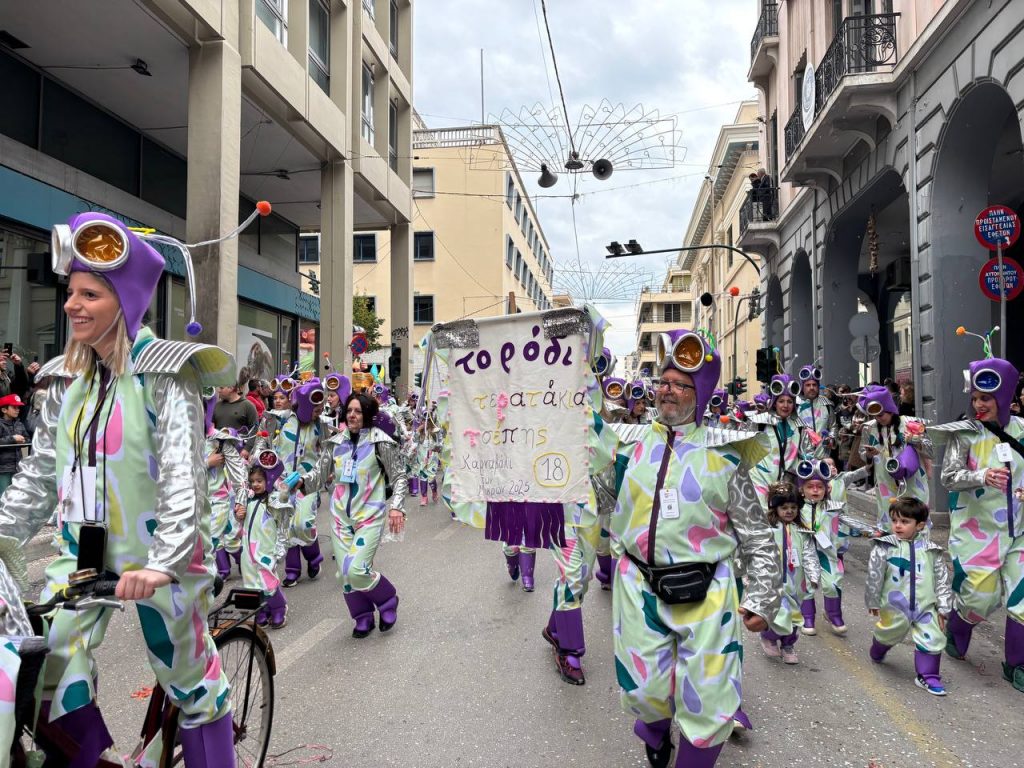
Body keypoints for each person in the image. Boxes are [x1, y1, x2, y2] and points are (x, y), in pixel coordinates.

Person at [0, 209, 246, 766]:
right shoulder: (66, 380)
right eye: (71, 292)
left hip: (158, 560)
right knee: (48, 677)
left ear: (124, 302)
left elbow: (184, 479)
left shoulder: (165, 372)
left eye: (89, 294)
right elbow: (39, 475)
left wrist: (163, 563)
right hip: (81, 561)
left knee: (191, 685)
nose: (71, 305)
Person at [590, 328, 780, 768]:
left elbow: (755, 534)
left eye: (680, 384)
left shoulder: (727, 455)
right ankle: (655, 733)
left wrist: (762, 596)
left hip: (709, 594)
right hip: (640, 588)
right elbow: (598, 500)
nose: (668, 391)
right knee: (645, 691)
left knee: (709, 703)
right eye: (664, 382)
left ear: (700, 394)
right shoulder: (627, 445)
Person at [930, 327, 1023, 693]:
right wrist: (983, 474)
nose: (980, 404)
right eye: (976, 397)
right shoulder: (963, 433)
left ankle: (1016, 665)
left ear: (1005, 396)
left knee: (1021, 600)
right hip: (976, 533)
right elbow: (950, 477)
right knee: (979, 598)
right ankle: (959, 624)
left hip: (1019, 533)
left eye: (988, 397)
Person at [299, 392, 408, 638]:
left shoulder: (381, 441)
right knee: (344, 575)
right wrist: (298, 483)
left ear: (367, 415)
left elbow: (399, 476)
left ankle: (388, 600)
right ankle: (362, 616)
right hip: (339, 518)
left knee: (356, 569)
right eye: (349, 411)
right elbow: (318, 475)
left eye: (358, 411)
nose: (352, 415)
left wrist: (397, 506)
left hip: (369, 516)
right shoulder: (335, 443)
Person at [866, 497, 952, 696]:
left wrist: (944, 606)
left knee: (933, 637)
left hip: (925, 607)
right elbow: (875, 575)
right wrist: (873, 599)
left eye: (904, 522)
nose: (897, 525)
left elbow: (941, 580)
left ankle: (928, 676)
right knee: (888, 633)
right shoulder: (884, 547)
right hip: (894, 606)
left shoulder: (932, 551)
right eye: (895, 520)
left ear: (919, 525)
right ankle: (879, 647)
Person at [858, 384, 932, 533]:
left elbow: (931, 451)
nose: (878, 419)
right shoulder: (869, 428)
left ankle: (918, 553)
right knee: (889, 522)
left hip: (913, 481)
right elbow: (861, 452)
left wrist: (915, 440)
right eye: (874, 416)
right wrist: (869, 455)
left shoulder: (912, 423)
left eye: (881, 414)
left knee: (916, 519)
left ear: (890, 409)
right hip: (885, 482)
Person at [760, 481, 817, 665]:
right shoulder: (768, 529)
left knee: (794, 615)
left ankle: (788, 645)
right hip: (773, 581)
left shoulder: (802, 531)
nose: (789, 511)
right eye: (784, 507)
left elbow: (809, 553)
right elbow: (758, 552)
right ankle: (769, 636)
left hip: (796, 583)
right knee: (778, 612)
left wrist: (813, 574)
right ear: (775, 508)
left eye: (793, 507)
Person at [240, 452, 291, 629]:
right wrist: (237, 513)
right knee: (251, 582)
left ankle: (278, 608)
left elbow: (284, 527)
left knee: (267, 579)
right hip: (248, 549)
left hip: (266, 548)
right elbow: (241, 521)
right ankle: (262, 610)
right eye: (252, 481)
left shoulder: (275, 500)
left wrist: (280, 549)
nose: (255, 484)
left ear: (268, 480)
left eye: (259, 481)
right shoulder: (248, 499)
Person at [795, 363, 836, 458]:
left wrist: (832, 439)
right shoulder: (796, 405)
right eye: (808, 385)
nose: (812, 388)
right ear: (802, 387)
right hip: (801, 459)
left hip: (823, 457)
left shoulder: (826, 404)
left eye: (814, 385)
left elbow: (833, 426)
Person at [214, 382, 259, 455]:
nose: (219, 390)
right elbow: (212, 428)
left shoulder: (247, 405)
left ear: (231, 388)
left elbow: (255, 429)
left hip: (238, 452)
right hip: (218, 454)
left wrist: (247, 449)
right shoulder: (217, 405)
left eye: (221, 388)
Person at [0, 394, 28, 494]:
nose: (17, 410)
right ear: (4, 410)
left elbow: (27, 438)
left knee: (15, 496)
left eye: (18, 407)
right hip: (3, 469)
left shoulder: (19, 424)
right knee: (3, 495)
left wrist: (24, 440)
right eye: (14, 407)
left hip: (17, 467)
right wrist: (12, 439)